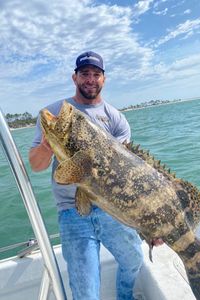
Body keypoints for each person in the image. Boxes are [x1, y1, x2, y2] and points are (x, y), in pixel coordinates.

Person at [29, 51, 144, 300]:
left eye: (96, 74)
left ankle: (125, 296)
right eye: (85, 74)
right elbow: (36, 165)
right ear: (75, 77)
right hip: (72, 212)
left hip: (111, 209)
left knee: (135, 261)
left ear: (104, 79)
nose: (90, 79)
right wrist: (48, 146)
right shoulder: (55, 112)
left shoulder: (116, 119)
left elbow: (125, 172)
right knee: (85, 293)